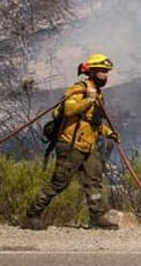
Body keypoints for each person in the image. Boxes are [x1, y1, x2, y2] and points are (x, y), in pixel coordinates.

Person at [21, 53, 120, 231]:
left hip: (88, 146)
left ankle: (97, 218)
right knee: (59, 182)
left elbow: (93, 123)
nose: (105, 75)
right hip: (71, 146)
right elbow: (69, 109)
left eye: (106, 72)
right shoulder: (79, 89)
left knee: (94, 181)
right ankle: (32, 216)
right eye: (102, 71)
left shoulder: (98, 94)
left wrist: (109, 133)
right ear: (91, 71)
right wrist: (88, 98)